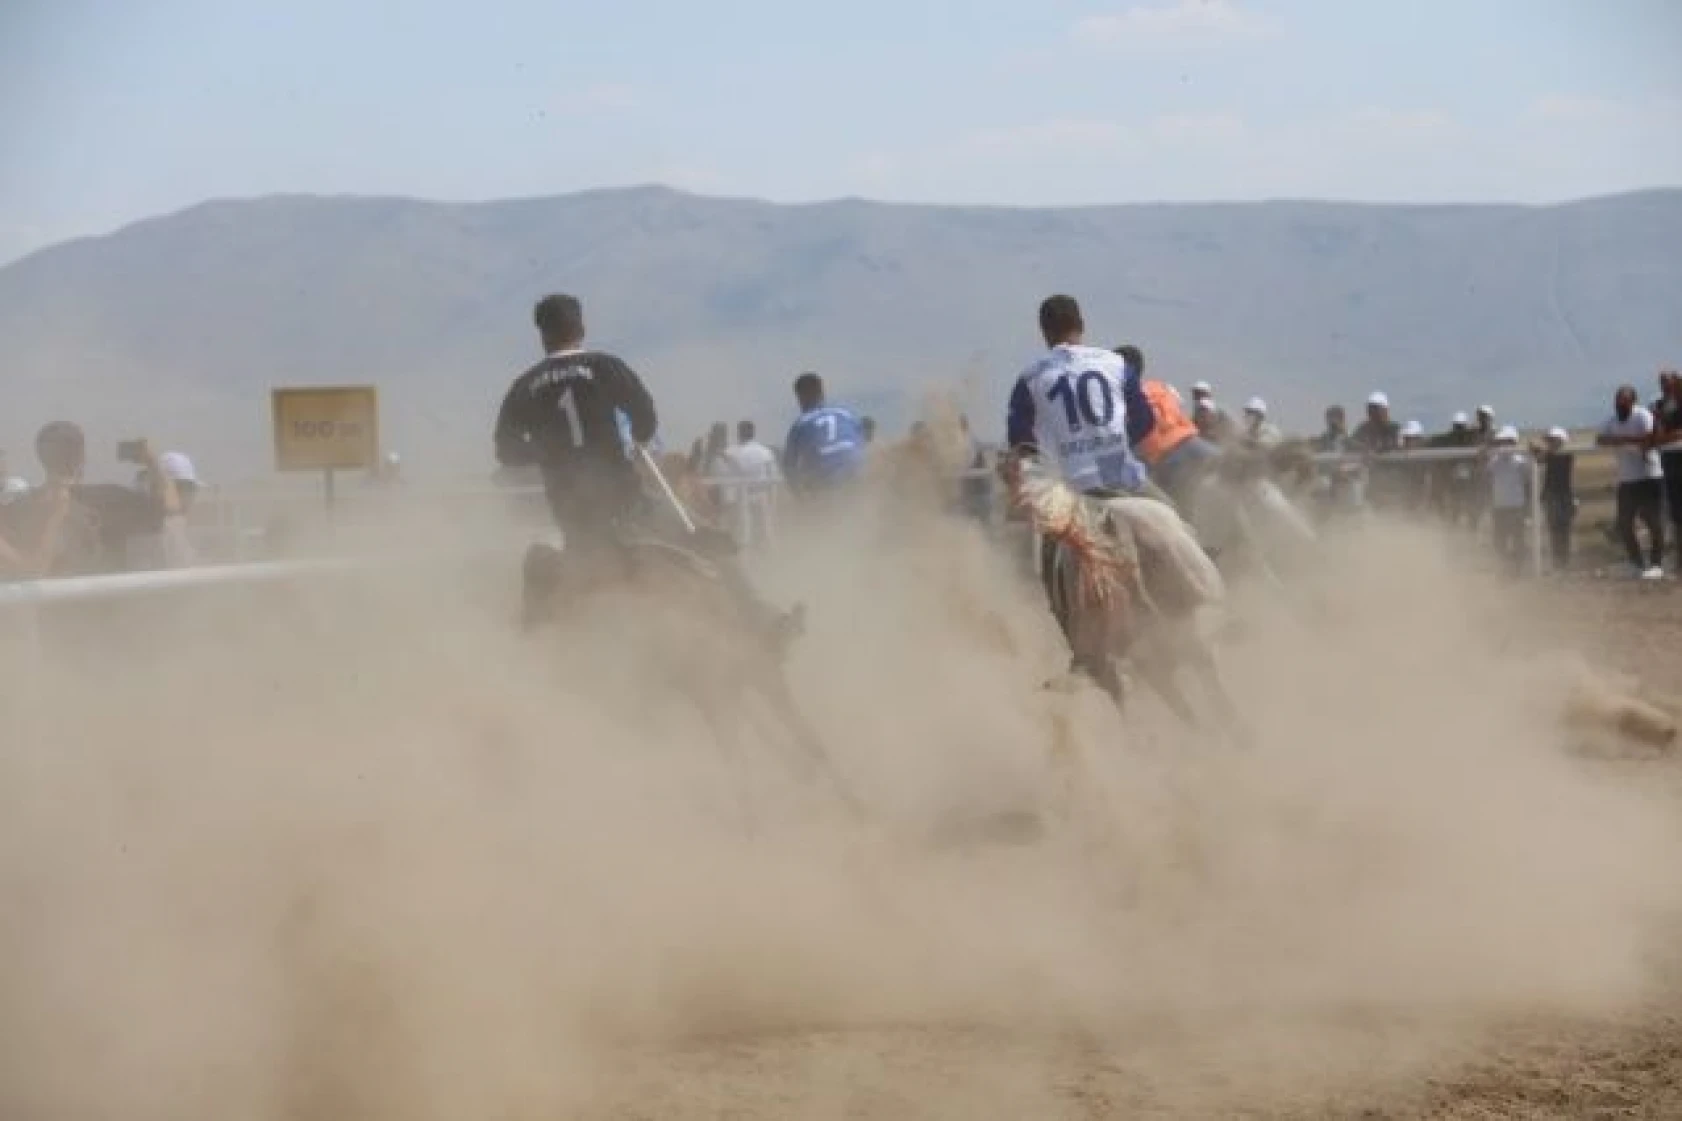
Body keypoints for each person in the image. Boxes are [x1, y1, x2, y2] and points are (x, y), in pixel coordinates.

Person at [0, 423, 179, 577]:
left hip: (50, 606)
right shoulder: (111, 498)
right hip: (103, 604)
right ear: (82, 457)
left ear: (40, 457)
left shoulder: (19, 507)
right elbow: (171, 507)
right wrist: (152, 461)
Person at [1595, 384, 1666, 580]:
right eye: (1617, 402)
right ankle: (1636, 563)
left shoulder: (1642, 415)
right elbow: (1600, 439)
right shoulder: (1612, 420)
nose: (1619, 405)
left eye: (1623, 402)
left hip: (1648, 476)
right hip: (1626, 479)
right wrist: (1622, 440)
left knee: (1653, 521)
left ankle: (1657, 564)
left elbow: (1649, 438)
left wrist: (1621, 440)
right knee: (1624, 523)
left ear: (1633, 402)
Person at [782, 372, 867, 498]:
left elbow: (789, 466)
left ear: (800, 397)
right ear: (822, 392)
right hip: (854, 470)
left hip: (825, 476)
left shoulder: (800, 424)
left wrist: (798, 496)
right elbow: (862, 443)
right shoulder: (846, 414)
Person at [718, 419, 780, 547]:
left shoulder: (732, 452)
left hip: (742, 495)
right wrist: (773, 499)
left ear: (739, 433)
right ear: (753, 432)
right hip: (761, 494)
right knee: (765, 528)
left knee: (745, 531)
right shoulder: (764, 451)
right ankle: (769, 551)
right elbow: (773, 477)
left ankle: (746, 552)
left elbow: (727, 474)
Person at [1486, 426, 1531, 576]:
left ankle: (1517, 569)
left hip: (1516, 506)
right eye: (1501, 442)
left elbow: (1528, 482)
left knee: (1518, 539)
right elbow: (1486, 473)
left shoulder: (1521, 461)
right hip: (1499, 507)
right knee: (1499, 540)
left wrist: (1527, 509)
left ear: (1514, 442)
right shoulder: (1494, 461)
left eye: (1507, 441)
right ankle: (1504, 567)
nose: (1504, 445)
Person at [1537, 427, 1576, 573]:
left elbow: (1543, 456)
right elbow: (1540, 459)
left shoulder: (1566, 454)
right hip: (1552, 495)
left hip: (1563, 496)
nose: (1550, 442)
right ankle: (1557, 563)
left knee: (1563, 530)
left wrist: (1539, 450)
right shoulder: (1549, 454)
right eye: (1550, 440)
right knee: (1554, 529)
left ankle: (1563, 563)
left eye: (1553, 440)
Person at [1654, 370, 1682, 570]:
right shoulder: (1660, 405)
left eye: (1668, 382)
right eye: (1662, 382)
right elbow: (1657, 432)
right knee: (1676, 512)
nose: (1665, 385)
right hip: (1670, 461)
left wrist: (1664, 437)